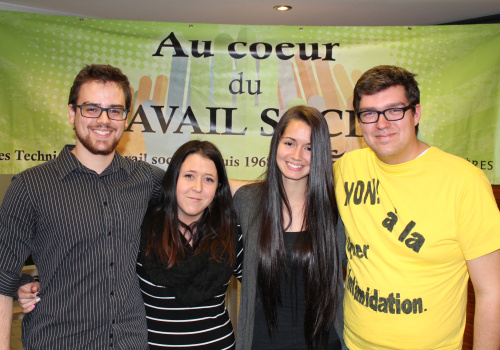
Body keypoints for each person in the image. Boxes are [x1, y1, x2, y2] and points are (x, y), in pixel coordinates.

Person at [333, 65, 500, 349]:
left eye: (394, 110)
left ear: (416, 114)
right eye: (369, 113)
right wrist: (228, 185)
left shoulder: (464, 182)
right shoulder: (347, 168)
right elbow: (287, 190)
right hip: (352, 343)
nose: (381, 123)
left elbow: (492, 292)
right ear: (359, 122)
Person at [0, 64, 164, 349]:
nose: (104, 119)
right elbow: (3, 280)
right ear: (71, 113)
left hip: (131, 342)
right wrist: (22, 284)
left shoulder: (145, 179)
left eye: (115, 110)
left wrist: (267, 184)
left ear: (126, 119)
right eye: (91, 108)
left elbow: (203, 188)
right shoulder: (30, 186)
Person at [234, 105, 346, 350]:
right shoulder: (247, 201)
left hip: (325, 343)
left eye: (309, 148)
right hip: (262, 343)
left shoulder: (337, 209)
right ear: (276, 144)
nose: (297, 155)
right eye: (289, 143)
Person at [136, 140, 243, 349]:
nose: (198, 188)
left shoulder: (230, 234)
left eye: (209, 179)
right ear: (173, 178)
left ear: (219, 188)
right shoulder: (143, 230)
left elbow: (264, 290)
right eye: (189, 176)